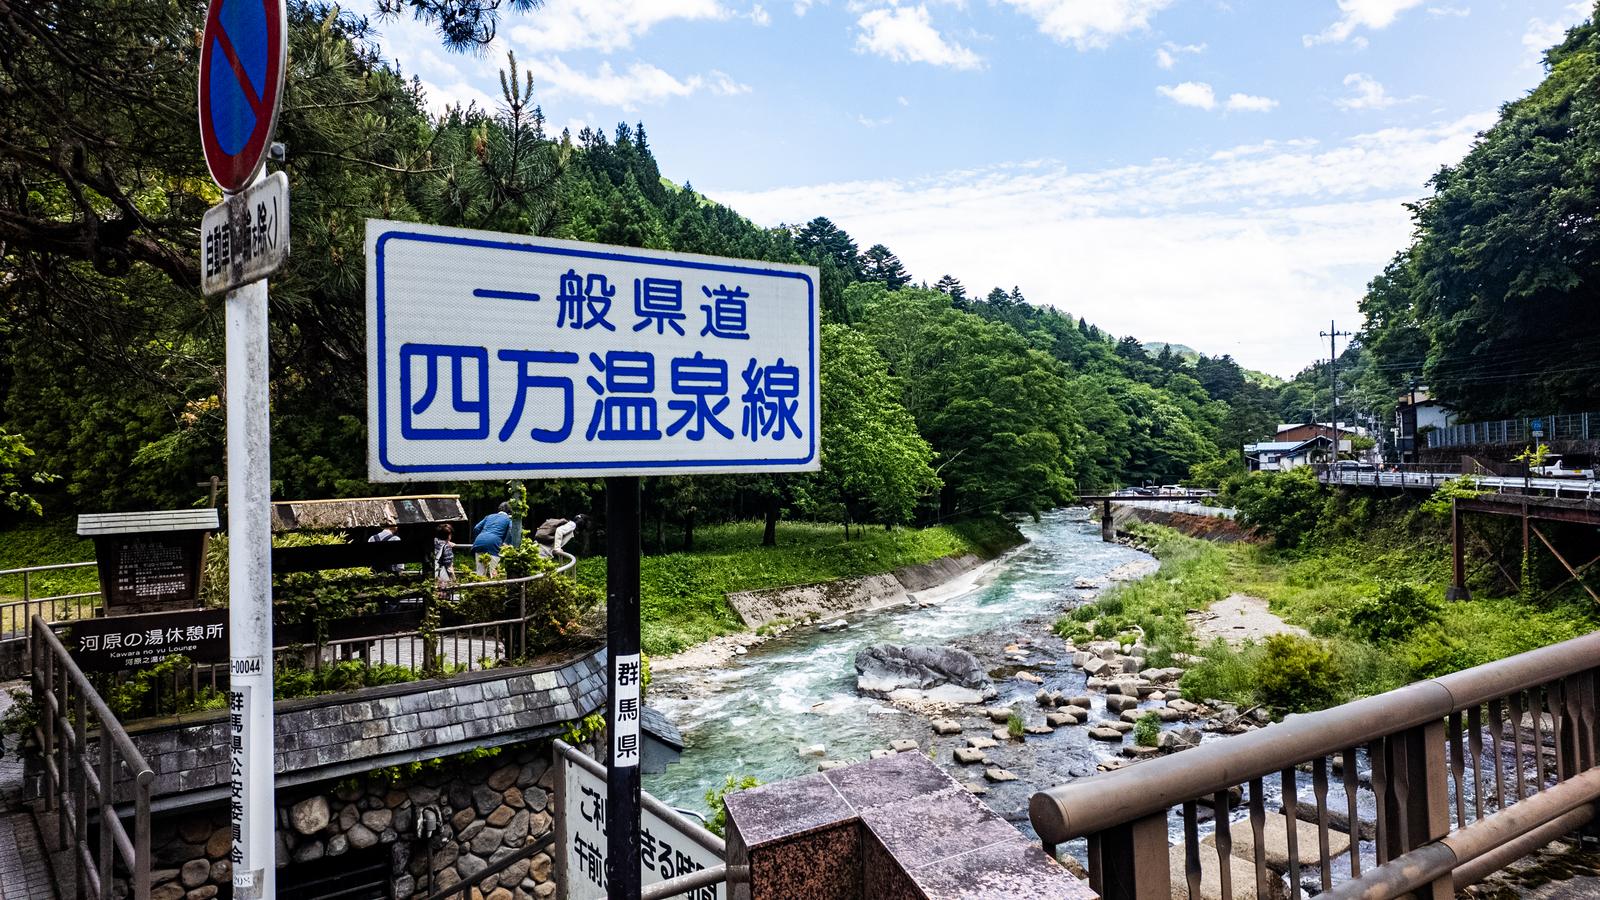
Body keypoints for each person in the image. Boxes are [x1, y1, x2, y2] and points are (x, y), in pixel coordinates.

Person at [472, 502, 514, 576]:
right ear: (509, 512)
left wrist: (479, 538)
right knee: (494, 573)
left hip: (479, 541)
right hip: (494, 543)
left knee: (480, 573)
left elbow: (476, 528)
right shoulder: (508, 519)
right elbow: (511, 530)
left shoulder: (489, 516)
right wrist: (506, 543)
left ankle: (478, 587)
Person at [432, 523, 455, 588]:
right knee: (444, 594)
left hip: (433, 572)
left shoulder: (433, 543)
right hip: (443, 575)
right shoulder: (447, 547)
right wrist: (453, 578)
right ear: (449, 535)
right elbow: (448, 564)